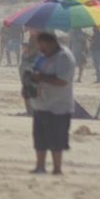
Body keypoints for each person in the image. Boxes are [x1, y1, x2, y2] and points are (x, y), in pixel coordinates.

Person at [26, 32, 76, 175]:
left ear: (51, 43)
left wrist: (41, 77)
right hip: (41, 105)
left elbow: (62, 80)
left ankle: (57, 168)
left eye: (42, 46)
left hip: (58, 106)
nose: (41, 49)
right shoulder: (42, 57)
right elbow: (34, 72)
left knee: (57, 141)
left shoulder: (64, 57)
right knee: (39, 139)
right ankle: (40, 166)